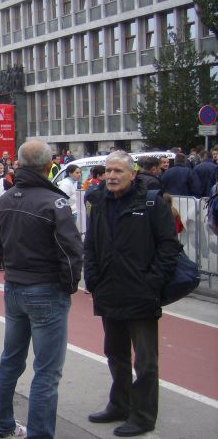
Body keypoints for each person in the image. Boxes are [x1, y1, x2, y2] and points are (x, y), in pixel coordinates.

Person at [0, 140, 83, 439]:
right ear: (48, 166)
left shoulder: (3, 200)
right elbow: (71, 252)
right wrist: (68, 287)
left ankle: (1, 426)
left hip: (15, 287)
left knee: (11, 359)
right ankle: (39, 434)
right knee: (47, 370)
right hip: (44, 288)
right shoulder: (53, 202)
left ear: (18, 164)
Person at [84, 151, 178, 437]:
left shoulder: (151, 203)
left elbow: (169, 247)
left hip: (141, 293)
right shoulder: (99, 201)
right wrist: (92, 279)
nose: (111, 176)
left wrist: (153, 281)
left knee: (146, 361)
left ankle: (143, 415)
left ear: (132, 174)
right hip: (109, 290)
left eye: (118, 171)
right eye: (108, 171)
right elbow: (91, 243)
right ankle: (120, 404)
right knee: (115, 353)